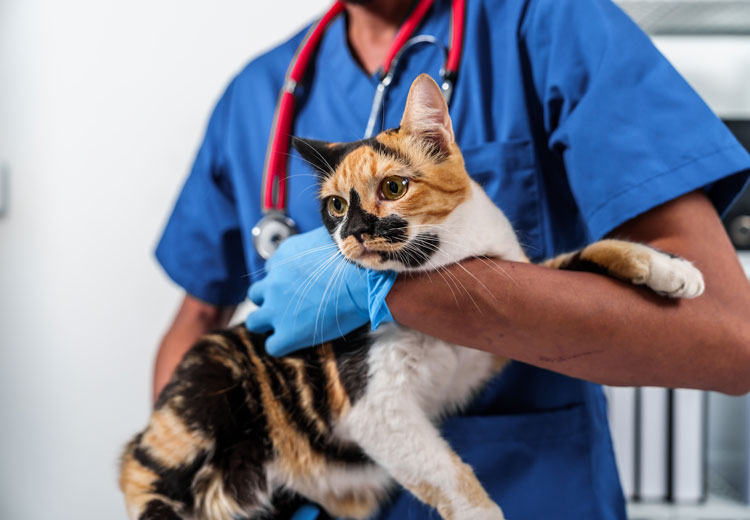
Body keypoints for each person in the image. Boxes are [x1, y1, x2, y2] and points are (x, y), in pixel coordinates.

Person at [153, 0, 750, 518]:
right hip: (319, 489)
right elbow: (197, 323)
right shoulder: (258, 94)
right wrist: (182, 483)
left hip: (529, 491)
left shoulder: (548, 22)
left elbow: (731, 340)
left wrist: (387, 287)